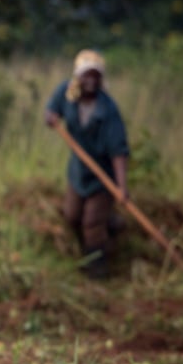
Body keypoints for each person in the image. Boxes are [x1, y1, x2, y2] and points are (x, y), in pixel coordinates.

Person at [45, 49, 130, 279]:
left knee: (91, 223)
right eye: (86, 75)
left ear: (101, 79)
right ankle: (110, 224)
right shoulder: (66, 93)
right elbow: (51, 111)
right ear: (78, 77)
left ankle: (97, 268)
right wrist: (51, 117)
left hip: (102, 176)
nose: (90, 81)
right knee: (72, 216)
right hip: (78, 171)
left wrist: (121, 187)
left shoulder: (108, 110)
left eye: (95, 76)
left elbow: (118, 151)